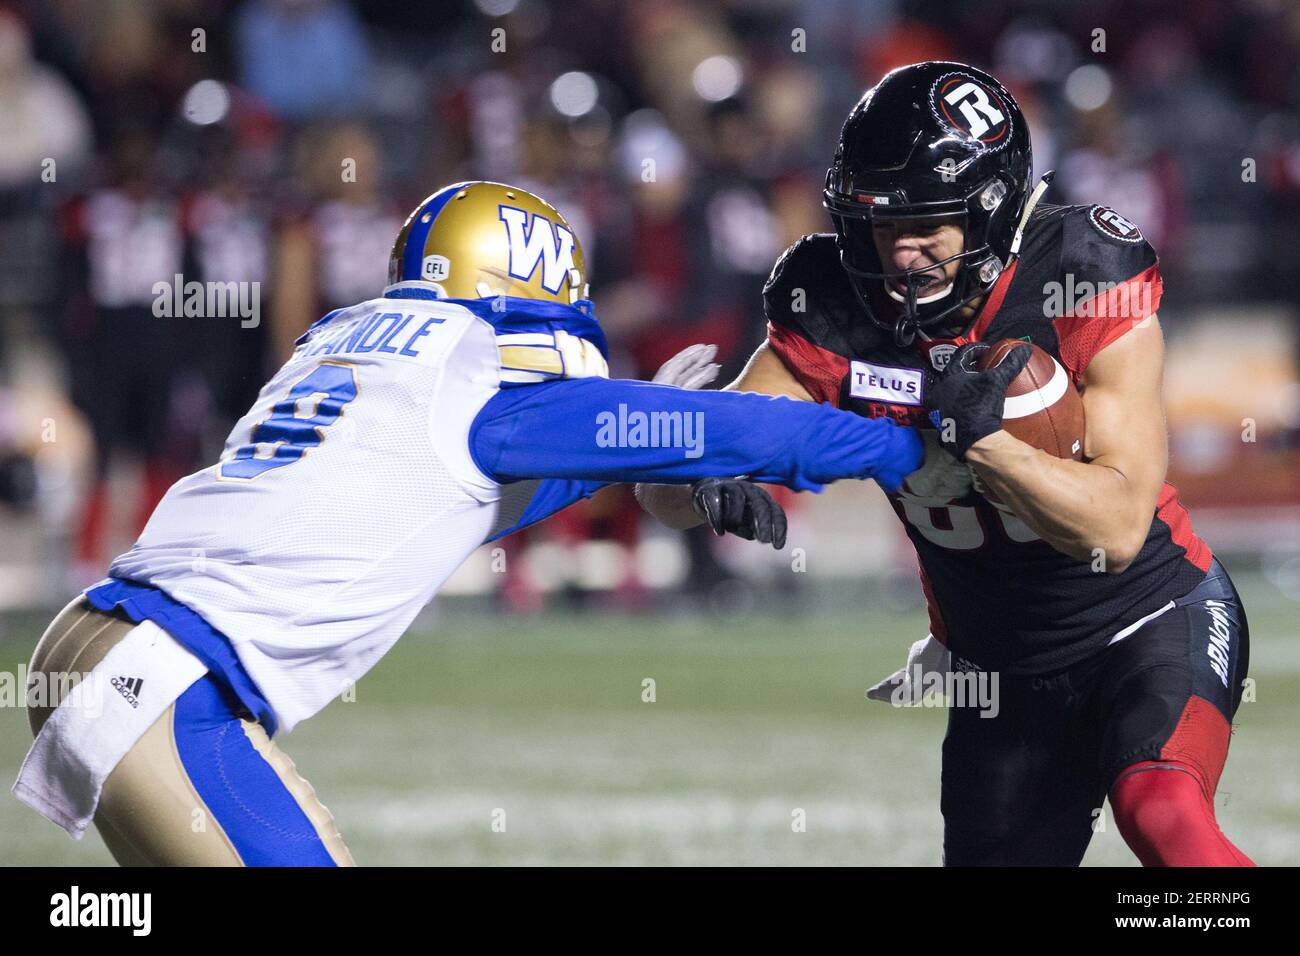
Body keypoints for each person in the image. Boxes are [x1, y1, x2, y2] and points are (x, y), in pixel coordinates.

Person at [14, 181, 920, 866]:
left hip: (94, 638)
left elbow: (446, 491)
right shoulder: (474, 369)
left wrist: (652, 454)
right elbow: (740, 425)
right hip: (166, 684)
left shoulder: (353, 341)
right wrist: (911, 444)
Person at [636, 63, 1253, 867]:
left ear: (989, 208)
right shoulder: (830, 301)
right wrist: (687, 472)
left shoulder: (1079, 270)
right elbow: (689, 483)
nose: (900, 252)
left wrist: (987, 445)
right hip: (999, 666)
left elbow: (1118, 524)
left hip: (1145, 618)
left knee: (1162, 811)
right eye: (879, 226)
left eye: (926, 223)